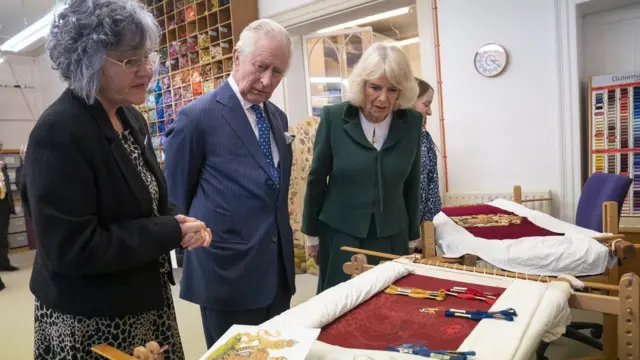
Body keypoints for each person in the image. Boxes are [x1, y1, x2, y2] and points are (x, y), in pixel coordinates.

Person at [22, 1, 211, 358]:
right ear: (88, 60)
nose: (147, 70)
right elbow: (72, 247)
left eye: (147, 56)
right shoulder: (59, 132)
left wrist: (180, 222)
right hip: (91, 319)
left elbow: (146, 198)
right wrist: (168, 231)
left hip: (142, 301)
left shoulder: (130, 118)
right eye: (130, 61)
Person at [163, 19, 296, 349]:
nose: (267, 81)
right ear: (237, 57)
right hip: (226, 272)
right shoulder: (197, 117)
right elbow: (174, 199)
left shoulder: (277, 118)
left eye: (277, 71)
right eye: (261, 66)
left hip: (276, 271)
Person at [302, 43, 422, 294]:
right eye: (375, 87)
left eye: (392, 89)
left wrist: (413, 234)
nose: (383, 98)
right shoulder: (335, 117)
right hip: (340, 233)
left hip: (392, 233)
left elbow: (411, 183)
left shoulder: (411, 122)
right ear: (362, 85)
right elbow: (316, 179)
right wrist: (311, 235)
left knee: (389, 304)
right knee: (339, 304)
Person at [412, 78, 443, 252]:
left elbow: (432, 188)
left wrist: (425, 233)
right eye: (426, 104)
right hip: (397, 234)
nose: (430, 111)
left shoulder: (424, 139)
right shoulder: (389, 139)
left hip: (421, 235)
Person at [0, 151, 18, 272]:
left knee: (3, 235)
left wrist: (2, 169)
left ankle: (4, 262)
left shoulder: (2, 164)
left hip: (3, 201)